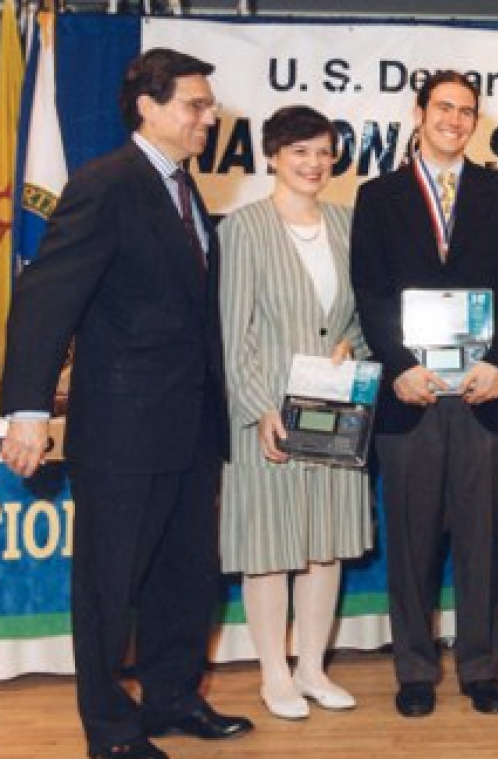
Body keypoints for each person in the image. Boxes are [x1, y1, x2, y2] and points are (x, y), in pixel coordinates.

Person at [0, 48, 253, 759]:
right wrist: (24, 409)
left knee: (186, 574)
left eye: (208, 104)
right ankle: (111, 728)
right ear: (147, 105)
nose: (209, 116)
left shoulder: (183, 185)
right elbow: (47, 298)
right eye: (195, 105)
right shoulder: (105, 185)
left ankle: (172, 698)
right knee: (109, 586)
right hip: (123, 430)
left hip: (191, 428)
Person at [351, 70, 498, 718]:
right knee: (410, 541)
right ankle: (413, 667)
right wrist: (398, 365)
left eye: (466, 111)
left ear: (476, 120)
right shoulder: (378, 197)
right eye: (444, 108)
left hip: (488, 395)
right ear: (419, 111)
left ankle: (481, 666)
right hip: (412, 395)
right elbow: (369, 291)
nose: (455, 120)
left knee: (483, 540)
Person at [218, 106, 372, 721]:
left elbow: (361, 318)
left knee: (325, 545)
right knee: (271, 545)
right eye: (299, 151)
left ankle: (312, 667)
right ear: (273, 156)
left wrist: (350, 349)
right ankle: (274, 674)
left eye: (324, 151)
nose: (313, 163)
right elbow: (235, 334)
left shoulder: (348, 223)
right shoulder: (244, 228)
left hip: (335, 405)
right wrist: (260, 409)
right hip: (269, 415)